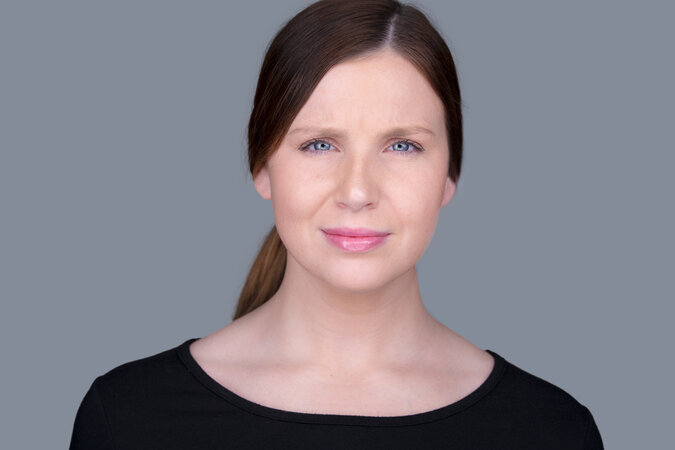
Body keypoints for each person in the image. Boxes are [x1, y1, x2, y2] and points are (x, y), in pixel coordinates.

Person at [69, 0, 604, 448]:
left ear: (449, 176)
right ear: (262, 168)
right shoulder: (128, 418)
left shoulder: (552, 431)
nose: (357, 192)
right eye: (320, 145)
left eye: (402, 146)